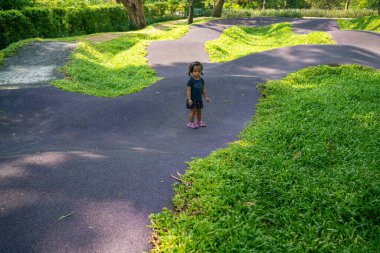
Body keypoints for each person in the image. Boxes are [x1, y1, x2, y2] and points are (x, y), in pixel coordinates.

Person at [186, 61, 210, 129]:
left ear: (201, 71)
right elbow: (188, 91)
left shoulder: (201, 80)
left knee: (199, 111)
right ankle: (190, 123)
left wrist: (206, 97)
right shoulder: (191, 81)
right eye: (195, 71)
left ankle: (199, 121)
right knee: (193, 111)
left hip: (199, 99)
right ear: (191, 72)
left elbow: (203, 90)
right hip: (192, 100)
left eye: (199, 71)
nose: (197, 73)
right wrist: (189, 99)